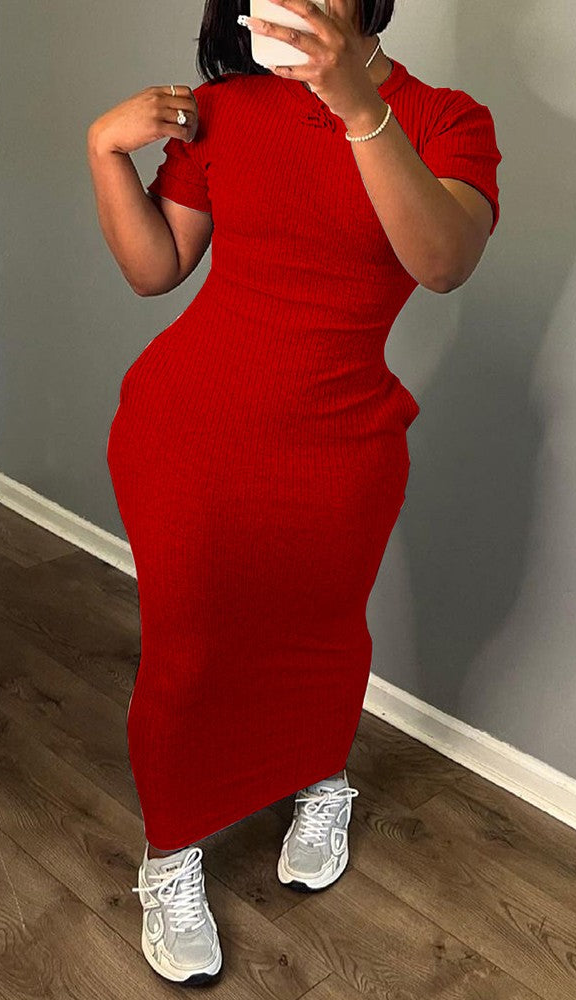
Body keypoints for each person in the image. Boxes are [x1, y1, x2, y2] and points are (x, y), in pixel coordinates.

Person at [86, 0, 501, 986]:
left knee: (320, 630)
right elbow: (154, 269)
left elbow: (442, 262)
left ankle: (320, 779)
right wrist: (103, 149)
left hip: (343, 438)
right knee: (190, 650)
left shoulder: (445, 118)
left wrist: (356, 106)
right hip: (187, 427)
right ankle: (170, 853)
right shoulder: (226, 110)